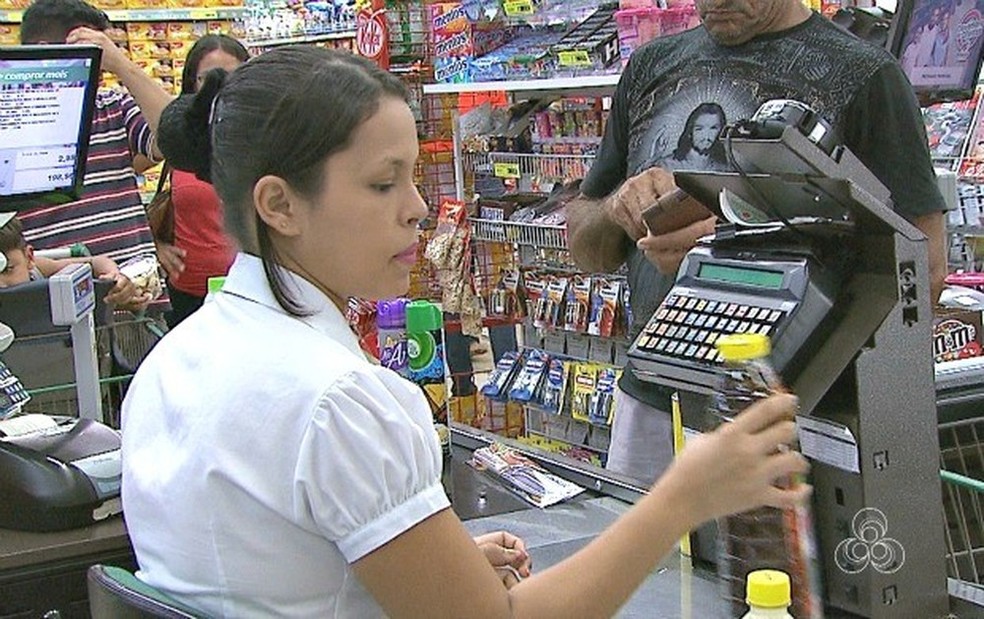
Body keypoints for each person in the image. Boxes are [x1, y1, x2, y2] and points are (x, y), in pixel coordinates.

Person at [121, 46, 808, 616]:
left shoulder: (175, 359)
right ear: (280, 204)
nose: (418, 208)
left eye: (414, 179)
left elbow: (256, 571)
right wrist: (684, 495)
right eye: (383, 184)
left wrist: (418, 563)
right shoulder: (341, 403)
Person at [567, 0, 948, 485]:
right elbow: (583, 242)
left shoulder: (866, 76)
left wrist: (733, 244)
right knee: (647, 562)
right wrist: (617, 207)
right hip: (655, 403)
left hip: (795, 420)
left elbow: (920, 269)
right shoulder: (650, 66)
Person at [18, 0, 173, 263]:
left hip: (141, 292)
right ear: (43, 52)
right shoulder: (12, 123)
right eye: (89, 51)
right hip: (58, 292)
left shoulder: (112, 105)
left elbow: (176, 136)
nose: (100, 67)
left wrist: (123, 65)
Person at [154, 34, 248, 327]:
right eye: (209, 79)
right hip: (187, 295)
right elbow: (120, 189)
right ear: (191, 83)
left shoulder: (264, 140)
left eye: (232, 77)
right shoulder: (181, 141)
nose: (220, 88)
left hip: (248, 295)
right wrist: (154, 245)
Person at [0, 212, 148, 310]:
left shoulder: (39, 268)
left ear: (29, 257)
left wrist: (114, 276)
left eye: (7, 269)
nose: (1, 283)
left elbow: (94, 263)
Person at [661, 102, 728, 171]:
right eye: (699, 129)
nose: (706, 135)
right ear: (690, 131)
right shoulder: (667, 165)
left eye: (713, 128)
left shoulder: (724, 168)